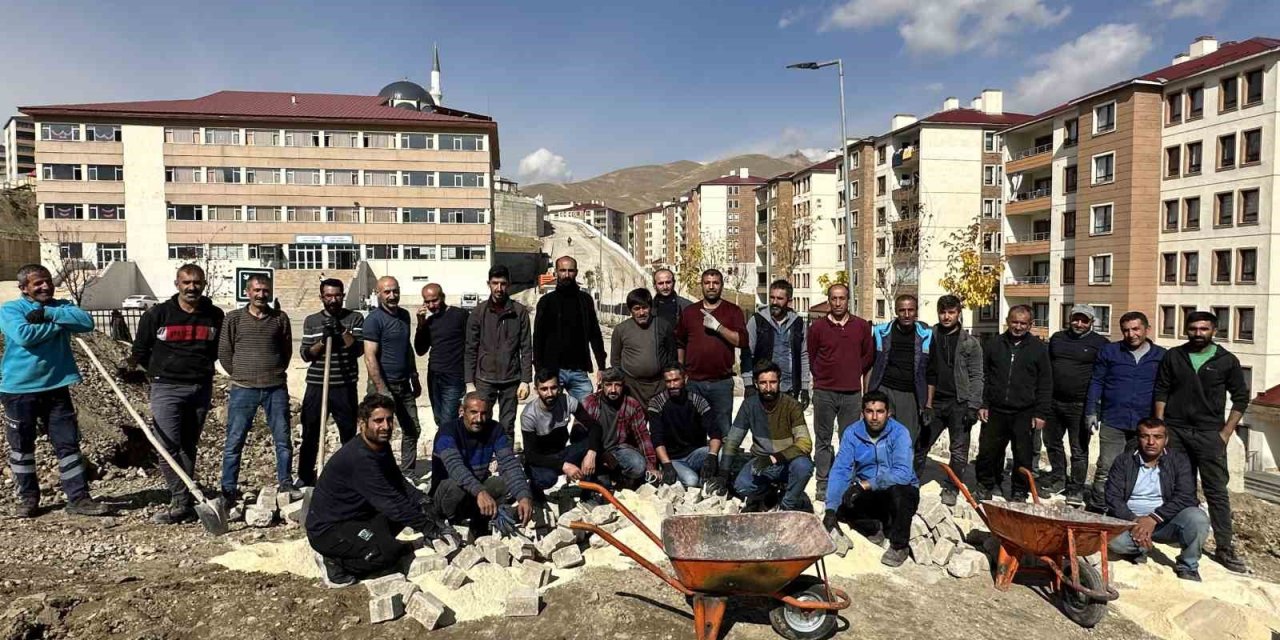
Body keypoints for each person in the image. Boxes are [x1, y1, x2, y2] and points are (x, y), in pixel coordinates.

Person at [308, 395, 455, 587]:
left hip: (358, 516)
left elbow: (398, 482)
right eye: (378, 421)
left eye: (389, 419)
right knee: (389, 554)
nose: (386, 426)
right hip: (330, 529)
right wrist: (430, 528)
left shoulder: (379, 445)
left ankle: (373, 542)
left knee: (412, 507)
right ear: (362, 423)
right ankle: (334, 563)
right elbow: (391, 503)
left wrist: (423, 502)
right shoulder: (360, 459)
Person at [0, 264, 111, 517]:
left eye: (47, 281)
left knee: (68, 444)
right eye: (37, 283)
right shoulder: (10, 310)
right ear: (24, 288)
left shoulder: (61, 306)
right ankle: (28, 500)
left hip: (57, 387)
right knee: (22, 447)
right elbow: (24, 335)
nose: (44, 286)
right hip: (19, 389)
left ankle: (78, 499)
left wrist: (49, 314)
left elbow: (86, 322)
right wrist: (60, 325)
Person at [1153, 310, 1250, 573]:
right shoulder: (1174, 356)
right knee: (1177, 487)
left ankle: (1224, 547)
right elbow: (1161, 389)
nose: (1198, 333)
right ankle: (1176, 532)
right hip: (1177, 431)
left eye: (1203, 329)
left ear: (1214, 331)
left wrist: (1226, 433)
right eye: (1193, 328)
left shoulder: (1226, 361)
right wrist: (1162, 427)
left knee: (1216, 491)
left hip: (1209, 434)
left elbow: (1241, 397)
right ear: (1187, 329)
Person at [129, 264, 226, 523]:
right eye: (186, 282)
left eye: (196, 282)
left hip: (200, 387)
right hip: (166, 387)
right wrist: (144, 372)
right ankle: (180, 499)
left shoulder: (214, 315)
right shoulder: (158, 315)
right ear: (177, 284)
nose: (191, 287)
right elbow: (139, 351)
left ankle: (185, 496)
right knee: (165, 445)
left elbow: (218, 350)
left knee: (187, 445)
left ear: (203, 284)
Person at [219, 274, 298, 506]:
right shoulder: (233, 319)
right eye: (256, 290)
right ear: (247, 292)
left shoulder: (279, 319)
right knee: (235, 441)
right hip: (243, 389)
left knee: (283, 439)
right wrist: (241, 373)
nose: (261, 294)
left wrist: (272, 372)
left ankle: (285, 482)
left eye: (265, 290)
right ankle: (228, 489)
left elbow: (286, 351)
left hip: (275, 389)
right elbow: (224, 351)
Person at [1104, 418, 1211, 582]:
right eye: (1145, 436)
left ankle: (1188, 566)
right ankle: (1140, 549)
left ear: (1166, 439)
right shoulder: (1124, 461)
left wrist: (1154, 518)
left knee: (1198, 519)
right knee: (1114, 542)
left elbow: (1186, 495)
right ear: (1138, 438)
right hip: (1131, 521)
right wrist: (1134, 521)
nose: (1151, 442)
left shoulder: (1178, 461)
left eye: (1157, 437)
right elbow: (1112, 497)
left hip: (1165, 521)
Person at [823, 391, 920, 567]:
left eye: (880, 411)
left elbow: (902, 473)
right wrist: (830, 509)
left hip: (897, 489)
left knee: (901, 492)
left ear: (888, 413)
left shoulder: (900, 433)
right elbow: (841, 470)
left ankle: (899, 545)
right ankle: (876, 527)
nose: (874, 417)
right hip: (870, 492)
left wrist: (865, 485)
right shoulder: (852, 433)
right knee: (843, 506)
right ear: (862, 413)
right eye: (869, 411)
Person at [1085, 312, 1165, 513]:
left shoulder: (1161, 355)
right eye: (1126, 330)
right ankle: (1098, 505)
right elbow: (1097, 381)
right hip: (1114, 419)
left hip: (1144, 423)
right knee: (1106, 465)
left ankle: (1121, 507)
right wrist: (1091, 410)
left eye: (1136, 329)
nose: (1131, 334)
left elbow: (1165, 388)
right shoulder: (1110, 351)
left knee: (1134, 468)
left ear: (1147, 329)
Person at [975, 305, 1051, 502]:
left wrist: (1041, 413)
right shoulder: (993, 344)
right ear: (1007, 321)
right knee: (988, 451)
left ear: (1030, 325)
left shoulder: (1039, 349)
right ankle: (986, 484)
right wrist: (983, 404)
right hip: (995, 409)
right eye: (1014, 322)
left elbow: (1045, 382)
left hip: (1024, 412)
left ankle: (1019, 490)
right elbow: (985, 376)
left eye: (1023, 323)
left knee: (1023, 455)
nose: (1018, 327)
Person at [430, 393, 534, 538]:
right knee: (455, 486)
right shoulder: (447, 432)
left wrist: (523, 495)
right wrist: (480, 491)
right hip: (447, 495)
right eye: (473, 412)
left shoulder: (495, 430)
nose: (479, 419)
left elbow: (509, 464)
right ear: (462, 411)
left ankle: (480, 523)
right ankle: (451, 525)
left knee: (504, 484)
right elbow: (455, 466)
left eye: (484, 413)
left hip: (475, 491)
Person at [718, 361, 814, 512]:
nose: (768, 388)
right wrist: (723, 473)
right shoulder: (749, 405)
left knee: (804, 467)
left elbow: (805, 443)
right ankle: (769, 492)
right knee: (741, 487)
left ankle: (786, 505)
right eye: (763, 383)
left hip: (787, 460)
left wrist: (773, 458)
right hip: (761, 461)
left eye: (773, 382)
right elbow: (732, 440)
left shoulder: (792, 405)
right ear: (756, 384)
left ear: (779, 382)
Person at [808, 283, 875, 497]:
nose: (838, 303)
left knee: (850, 439)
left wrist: (860, 384)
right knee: (823, 439)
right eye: (834, 298)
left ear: (849, 300)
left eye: (842, 298)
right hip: (824, 392)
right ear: (828, 300)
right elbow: (812, 356)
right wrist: (821, 377)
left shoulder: (862, 326)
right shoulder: (817, 327)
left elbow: (867, 358)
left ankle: (846, 480)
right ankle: (823, 481)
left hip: (852, 393)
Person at [297, 279, 364, 487]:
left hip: (344, 384)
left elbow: (357, 350)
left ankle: (349, 476)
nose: (333, 300)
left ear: (343, 296)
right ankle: (306, 477)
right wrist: (323, 340)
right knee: (310, 431)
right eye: (328, 296)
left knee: (348, 433)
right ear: (322, 297)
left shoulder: (355, 318)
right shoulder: (311, 321)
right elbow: (306, 355)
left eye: (337, 295)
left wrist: (341, 331)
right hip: (317, 384)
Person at [917, 295, 983, 506]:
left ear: (958, 313)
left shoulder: (970, 343)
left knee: (959, 450)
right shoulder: (929, 336)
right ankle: (911, 481)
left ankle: (952, 486)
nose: (946, 317)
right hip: (934, 402)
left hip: (959, 402)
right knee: (921, 444)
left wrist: (973, 406)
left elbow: (976, 376)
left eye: (951, 312)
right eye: (943, 312)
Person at [1043, 304, 1109, 505]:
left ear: (1092, 322)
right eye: (1075, 319)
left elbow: (1103, 376)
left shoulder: (1101, 343)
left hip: (1080, 405)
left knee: (1079, 449)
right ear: (1069, 319)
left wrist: (1095, 409)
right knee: (1052, 443)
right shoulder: (1057, 338)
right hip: (1054, 402)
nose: (1079, 324)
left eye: (1084, 320)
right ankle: (1058, 478)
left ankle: (1076, 488)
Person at [675, 269, 747, 448]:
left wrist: (718, 327)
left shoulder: (733, 311)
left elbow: (742, 341)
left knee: (723, 430)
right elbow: (680, 343)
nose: (711, 286)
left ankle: (722, 470)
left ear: (722, 285)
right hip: (694, 382)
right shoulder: (690, 312)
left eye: (715, 282)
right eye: (707, 283)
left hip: (721, 383)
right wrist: (681, 371)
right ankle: (698, 466)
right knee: (693, 428)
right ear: (702, 285)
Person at [465, 265, 533, 446]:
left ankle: (506, 463)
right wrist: (469, 382)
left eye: (503, 284)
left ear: (508, 284)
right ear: (488, 284)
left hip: (511, 380)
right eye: (495, 283)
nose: (499, 288)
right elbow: (470, 348)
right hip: (484, 379)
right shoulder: (478, 313)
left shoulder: (519, 312)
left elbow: (526, 347)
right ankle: (482, 462)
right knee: (480, 422)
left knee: (507, 425)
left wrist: (525, 380)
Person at [362, 276, 423, 476]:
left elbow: (407, 348)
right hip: (382, 385)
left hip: (403, 384)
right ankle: (375, 471)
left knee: (412, 428)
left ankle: (407, 473)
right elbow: (370, 357)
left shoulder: (404, 316)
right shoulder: (374, 320)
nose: (392, 295)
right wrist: (382, 390)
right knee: (378, 431)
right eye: (387, 292)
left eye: (395, 291)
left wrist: (414, 377)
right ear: (378, 294)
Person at [520, 369, 604, 497]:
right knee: (548, 478)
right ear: (536, 390)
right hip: (541, 459)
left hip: (561, 453)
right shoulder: (529, 414)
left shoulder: (568, 401)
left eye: (553, 388)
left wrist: (592, 452)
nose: (549, 393)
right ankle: (534, 491)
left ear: (559, 388)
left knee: (593, 444)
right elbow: (531, 455)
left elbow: (595, 427)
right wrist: (563, 466)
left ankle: (587, 492)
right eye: (544, 389)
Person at [534, 256, 606, 401]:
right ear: (556, 272)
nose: (566, 275)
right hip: (553, 371)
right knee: (552, 417)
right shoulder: (546, 302)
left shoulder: (585, 300)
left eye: (570, 270)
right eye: (562, 270)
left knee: (589, 413)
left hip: (579, 370)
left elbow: (595, 334)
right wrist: (539, 371)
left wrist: (601, 367)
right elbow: (538, 338)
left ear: (576, 272)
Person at [868, 294, 932, 445]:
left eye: (911, 310)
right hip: (884, 389)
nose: (907, 314)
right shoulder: (881, 332)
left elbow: (931, 372)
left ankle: (902, 468)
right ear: (896, 311)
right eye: (902, 310)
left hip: (909, 394)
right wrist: (869, 395)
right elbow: (870, 365)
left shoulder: (925, 335)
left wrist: (927, 404)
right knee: (880, 437)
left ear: (916, 311)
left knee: (906, 439)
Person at [581, 368, 659, 486]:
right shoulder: (590, 402)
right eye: (608, 385)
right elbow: (577, 435)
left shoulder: (632, 405)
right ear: (601, 384)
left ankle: (617, 474)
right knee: (601, 485)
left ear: (623, 386)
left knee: (638, 465)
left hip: (617, 450)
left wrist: (651, 466)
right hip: (593, 450)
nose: (613, 390)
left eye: (617, 385)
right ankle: (605, 474)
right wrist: (597, 454)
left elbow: (643, 436)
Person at [648, 364, 721, 488]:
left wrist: (712, 457)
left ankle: (714, 481)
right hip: (672, 459)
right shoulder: (656, 403)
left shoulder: (698, 401)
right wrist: (667, 464)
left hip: (695, 454)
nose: (672, 385)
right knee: (692, 480)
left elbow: (715, 433)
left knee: (720, 453)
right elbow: (656, 438)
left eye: (676, 380)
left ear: (685, 379)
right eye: (668, 382)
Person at [742, 279, 810, 409]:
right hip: (763, 389)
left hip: (790, 388)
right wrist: (748, 384)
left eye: (779, 298)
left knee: (787, 428)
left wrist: (805, 388)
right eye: (772, 297)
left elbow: (803, 355)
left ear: (788, 300)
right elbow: (747, 354)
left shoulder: (798, 323)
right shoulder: (757, 321)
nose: (774, 302)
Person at [414, 283, 469, 429]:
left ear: (443, 297)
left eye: (435, 300)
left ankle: (449, 450)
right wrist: (420, 324)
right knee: (439, 419)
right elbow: (420, 350)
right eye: (427, 302)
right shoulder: (429, 321)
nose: (431, 305)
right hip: (434, 376)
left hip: (454, 376)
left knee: (448, 421)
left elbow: (473, 344)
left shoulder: (459, 315)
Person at [611, 288, 676, 406]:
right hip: (632, 388)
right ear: (631, 310)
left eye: (644, 307)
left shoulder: (663, 326)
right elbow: (615, 361)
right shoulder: (621, 329)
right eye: (636, 309)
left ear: (650, 307)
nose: (641, 313)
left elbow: (672, 356)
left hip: (659, 386)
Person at [650, 268, 690, 337]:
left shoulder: (687, 306)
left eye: (668, 282)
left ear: (674, 283)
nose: (665, 287)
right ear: (654, 286)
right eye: (660, 283)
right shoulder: (648, 308)